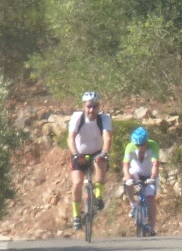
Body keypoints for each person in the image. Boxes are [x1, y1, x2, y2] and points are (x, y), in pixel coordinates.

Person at [67, 92, 112, 228]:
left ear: (99, 107)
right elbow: (71, 138)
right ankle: (76, 216)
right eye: (89, 106)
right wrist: (75, 154)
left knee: (100, 161)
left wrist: (104, 152)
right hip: (79, 153)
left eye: (95, 106)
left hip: (96, 152)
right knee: (77, 182)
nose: (91, 110)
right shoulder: (77, 117)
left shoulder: (104, 118)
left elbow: (107, 137)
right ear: (84, 106)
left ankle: (98, 197)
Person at [122, 127, 160, 235]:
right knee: (126, 180)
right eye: (138, 145)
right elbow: (126, 166)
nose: (141, 147)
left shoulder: (153, 145)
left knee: (150, 198)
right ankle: (132, 203)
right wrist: (128, 177)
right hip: (136, 173)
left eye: (143, 144)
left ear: (147, 142)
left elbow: (155, 165)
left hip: (150, 174)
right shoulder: (130, 147)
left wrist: (152, 177)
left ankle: (152, 226)